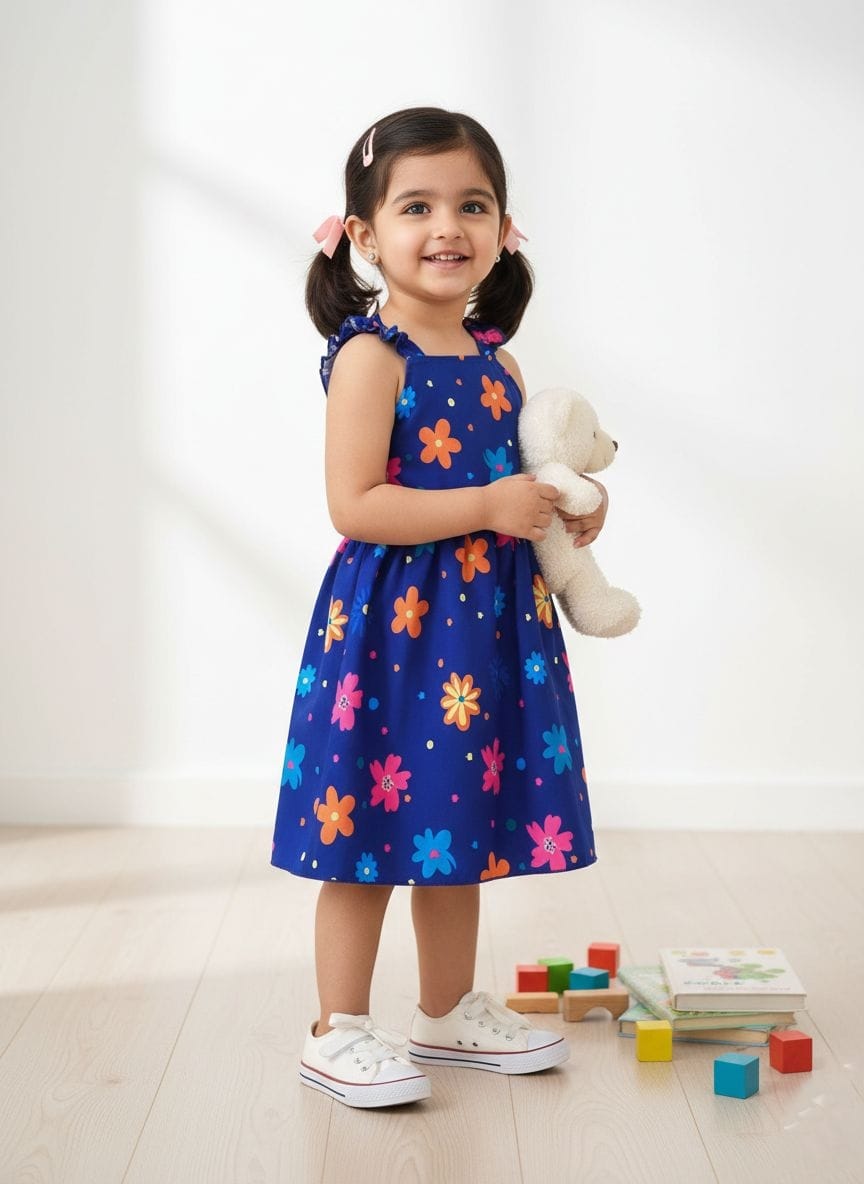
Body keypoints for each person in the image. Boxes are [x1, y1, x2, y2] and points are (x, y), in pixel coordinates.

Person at [271, 107, 609, 1109]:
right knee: (366, 835)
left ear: (504, 229)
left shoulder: (499, 363)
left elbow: (521, 487)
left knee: (452, 825)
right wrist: (486, 507)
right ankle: (337, 1028)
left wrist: (566, 510)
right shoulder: (372, 357)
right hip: (394, 635)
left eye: (473, 204)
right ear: (365, 235)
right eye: (416, 206)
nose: (447, 226)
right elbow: (356, 504)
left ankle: (447, 1007)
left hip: (484, 633)